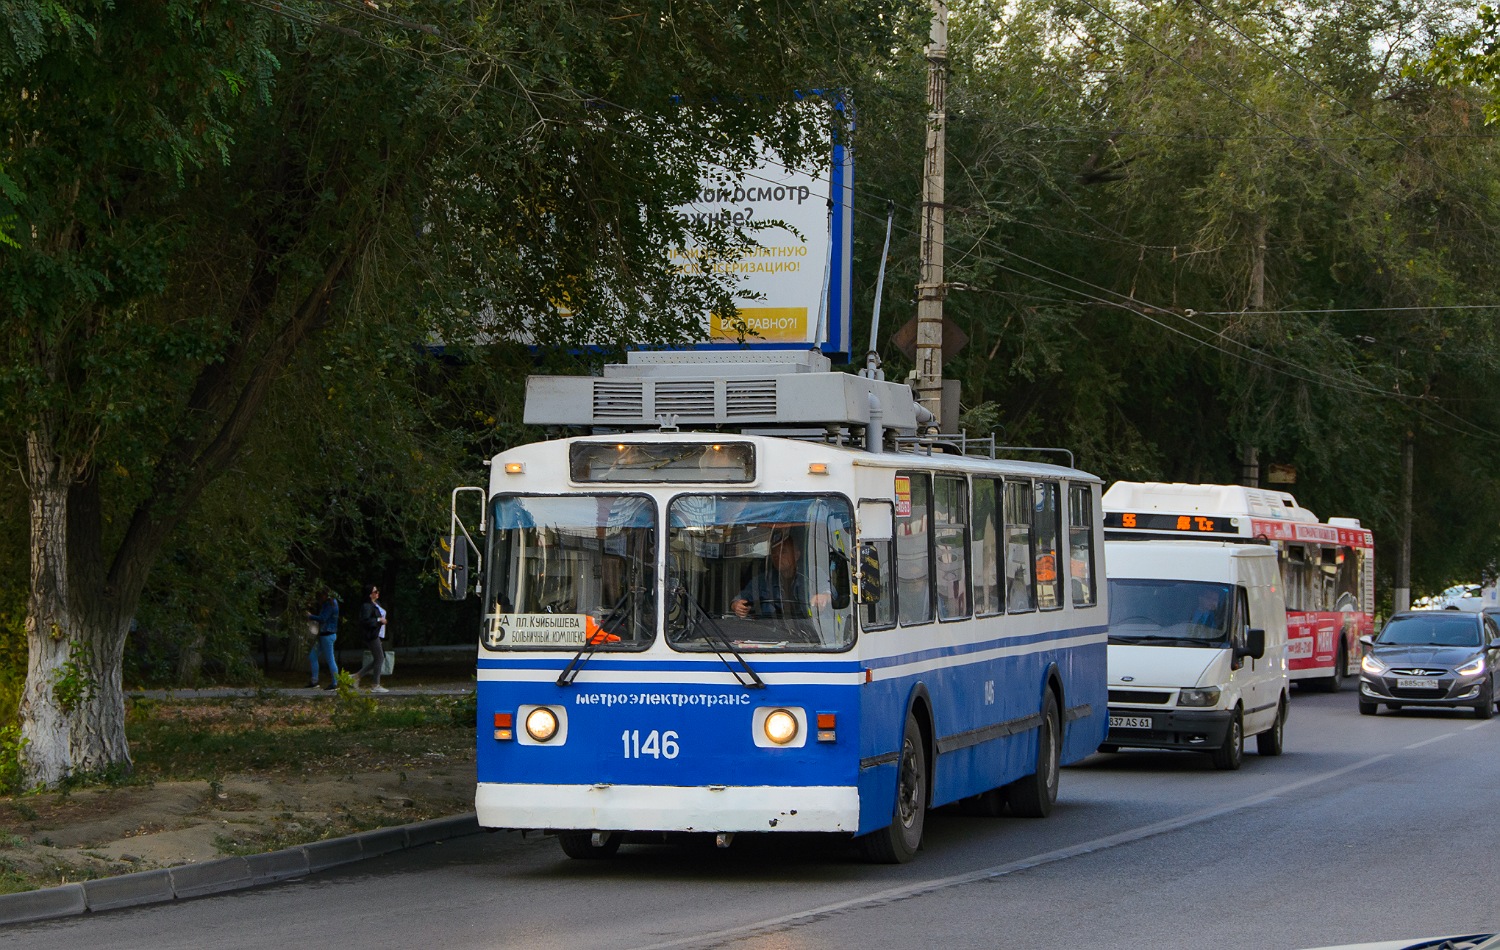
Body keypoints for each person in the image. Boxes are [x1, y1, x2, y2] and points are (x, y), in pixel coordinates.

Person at [731, 531, 830, 619]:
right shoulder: (764, 579)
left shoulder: (813, 573)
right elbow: (741, 597)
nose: (777, 557)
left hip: (809, 629)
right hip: (772, 632)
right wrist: (736, 605)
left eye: (783, 552)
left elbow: (830, 591)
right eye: (774, 553)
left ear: (796, 555)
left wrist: (823, 596)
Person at [353, 584, 389, 693]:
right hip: (371, 635)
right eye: (375, 591)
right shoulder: (366, 606)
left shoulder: (376, 604)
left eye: (377, 591)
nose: (377, 593)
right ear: (369, 594)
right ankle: (375, 684)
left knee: (379, 658)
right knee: (380, 658)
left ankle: (357, 676)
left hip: (376, 634)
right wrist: (379, 620)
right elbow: (365, 621)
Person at [305, 590, 340, 690]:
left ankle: (335, 683)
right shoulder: (330, 603)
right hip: (325, 635)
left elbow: (323, 618)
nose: (318, 600)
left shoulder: (330, 605)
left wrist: (310, 616)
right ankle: (314, 681)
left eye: (319, 597)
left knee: (330, 659)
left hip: (327, 635)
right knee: (312, 656)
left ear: (324, 596)